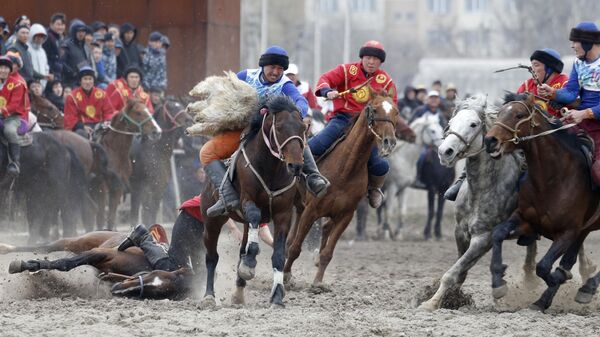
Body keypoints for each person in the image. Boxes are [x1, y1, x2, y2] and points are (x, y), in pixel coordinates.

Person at [201, 45, 329, 217]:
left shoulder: (285, 84)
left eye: (280, 68)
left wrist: (298, 113)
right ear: (263, 66)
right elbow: (225, 92)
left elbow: (300, 100)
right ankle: (227, 196)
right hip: (241, 127)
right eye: (272, 67)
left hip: (270, 133)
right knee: (206, 152)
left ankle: (313, 177)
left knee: (294, 136)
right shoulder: (245, 76)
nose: (276, 72)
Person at [312, 40, 398, 208]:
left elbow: (392, 105)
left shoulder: (386, 81)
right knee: (313, 146)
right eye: (368, 58)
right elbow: (325, 79)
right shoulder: (346, 70)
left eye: (376, 59)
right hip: (342, 120)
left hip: (369, 128)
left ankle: (374, 189)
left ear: (380, 62)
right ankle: (304, 178)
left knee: (381, 166)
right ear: (362, 58)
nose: (372, 62)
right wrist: (327, 91)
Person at [117, 195, 273, 271]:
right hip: (190, 219)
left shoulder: (255, 200)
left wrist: (277, 246)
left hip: (202, 227)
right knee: (173, 268)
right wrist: (234, 229)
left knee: (201, 274)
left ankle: (162, 250)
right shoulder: (241, 187)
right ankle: (144, 237)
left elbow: (262, 226)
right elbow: (224, 206)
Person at [539, 22, 600, 184]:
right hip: (582, 123)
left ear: (587, 42)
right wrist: (553, 92)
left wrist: (584, 113)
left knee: (598, 173)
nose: (572, 46)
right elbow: (571, 92)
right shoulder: (578, 63)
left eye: (575, 41)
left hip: (596, 126)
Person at [63, 66, 116, 138]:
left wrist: (107, 122)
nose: (88, 82)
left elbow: (109, 112)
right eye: (85, 79)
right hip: (81, 127)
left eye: (90, 79)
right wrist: (82, 127)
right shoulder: (72, 97)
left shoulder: (102, 94)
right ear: (80, 81)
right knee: (80, 134)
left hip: (99, 125)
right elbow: (70, 118)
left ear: (94, 81)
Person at [410, 90, 447, 189]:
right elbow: (411, 124)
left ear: (439, 100)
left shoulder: (440, 114)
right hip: (420, 143)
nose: (434, 100)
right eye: (432, 98)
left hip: (436, 143)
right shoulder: (420, 110)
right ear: (428, 99)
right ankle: (416, 178)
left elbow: (444, 128)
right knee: (421, 156)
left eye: (436, 98)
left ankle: (443, 180)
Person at [0, 55, 30, 176]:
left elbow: (14, 105)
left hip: (12, 117)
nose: (3, 70)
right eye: (0, 67)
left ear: (10, 70)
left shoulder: (18, 84)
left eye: (5, 68)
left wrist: (1, 111)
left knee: (9, 131)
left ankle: (14, 163)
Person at [60, 19, 93, 87]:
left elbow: (85, 62)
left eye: (83, 31)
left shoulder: (84, 45)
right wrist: (73, 73)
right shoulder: (66, 45)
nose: (81, 34)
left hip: (83, 80)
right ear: (73, 32)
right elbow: (62, 63)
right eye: (79, 31)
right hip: (70, 82)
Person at [42, 13, 66, 83]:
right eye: (58, 24)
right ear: (51, 25)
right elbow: (46, 58)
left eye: (62, 24)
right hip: (50, 74)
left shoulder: (60, 38)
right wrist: (51, 73)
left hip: (58, 74)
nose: (61, 27)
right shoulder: (48, 38)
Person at [27, 23, 51, 91]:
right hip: (31, 85)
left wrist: (44, 81)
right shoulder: (27, 49)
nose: (40, 39)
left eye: (42, 37)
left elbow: (46, 67)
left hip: (42, 86)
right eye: (37, 36)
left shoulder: (42, 51)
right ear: (32, 36)